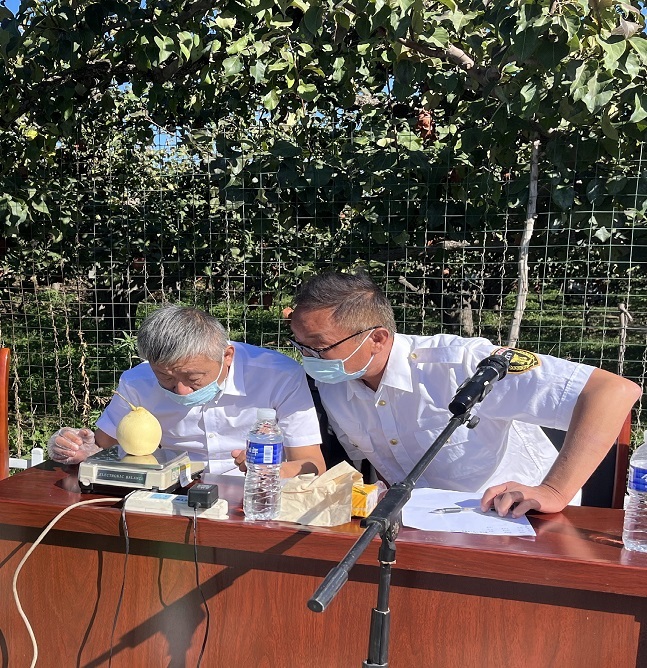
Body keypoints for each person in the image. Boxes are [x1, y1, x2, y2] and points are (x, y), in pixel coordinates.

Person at [287, 271, 641, 516]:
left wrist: (553, 491)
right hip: (422, 524)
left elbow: (613, 391)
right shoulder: (335, 386)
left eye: (319, 346)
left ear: (377, 338)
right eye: (300, 345)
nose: (307, 357)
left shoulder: (462, 364)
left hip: (522, 520)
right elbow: (381, 464)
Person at [48, 305, 325, 478]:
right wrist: (77, 446)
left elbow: (312, 464)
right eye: (165, 378)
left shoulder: (278, 376)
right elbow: (103, 446)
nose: (181, 390)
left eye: (193, 378)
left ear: (227, 356)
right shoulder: (137, 381)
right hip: (171, 492)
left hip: (255, 495)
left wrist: (268, 472)